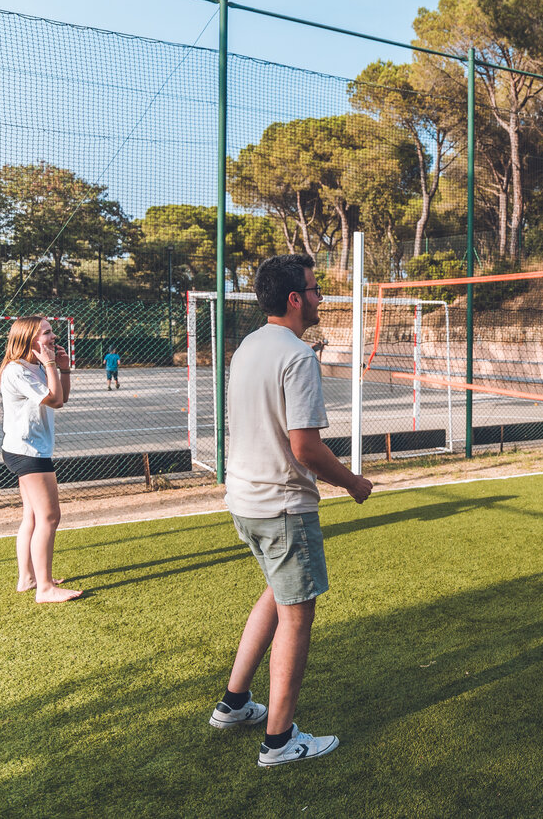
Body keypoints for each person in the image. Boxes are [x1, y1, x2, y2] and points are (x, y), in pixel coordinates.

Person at [208, 253, 373, 768]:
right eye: (316, 288)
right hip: (282, 505)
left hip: (245, 501)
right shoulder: (297, 355)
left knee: (278, 595)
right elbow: (305, 448)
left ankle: (234, 704)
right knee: (297, 616)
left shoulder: (248, 348)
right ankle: (279, 740)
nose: (322, 296)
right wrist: (353, 483)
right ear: (296, 298)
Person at [0, 316, 83, 603]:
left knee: (33, 516)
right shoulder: (17, 371)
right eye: (46, 332)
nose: (52, 336)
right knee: (50, 516)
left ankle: (28, 578)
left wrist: (64, 369)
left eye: (50, 331)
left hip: (25, 449)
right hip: (29, 452)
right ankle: (44, 588)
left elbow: (63, 398)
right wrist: (50, 365)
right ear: (29, 339)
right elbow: (55, 400)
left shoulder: (32, 367)